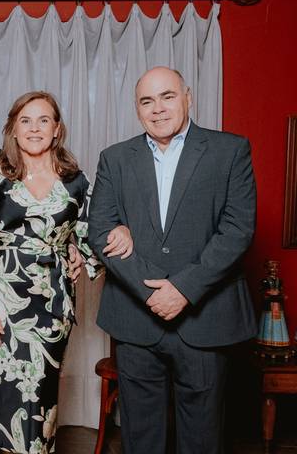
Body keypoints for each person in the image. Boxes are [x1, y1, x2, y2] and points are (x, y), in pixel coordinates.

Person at [89, 66, 257, 454]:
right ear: (137, 108)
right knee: (140, 437)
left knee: (202, 437)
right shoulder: (115, 158)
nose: (158, 108)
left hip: (205, 318)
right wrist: (151, 291)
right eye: (147, 101)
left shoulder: (230, 151)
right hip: (135, 320)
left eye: (167, 96)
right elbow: (99, 229)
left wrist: (183, 289)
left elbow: (237, 230)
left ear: (188, 98)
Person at [0, 91, 132, 453]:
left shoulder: (76, 181)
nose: (34, 128)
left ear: (56, 129)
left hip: (52, 306)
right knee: (2, 397)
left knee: (40, 398)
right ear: (13, 129)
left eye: (43, 120)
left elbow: (90, 234)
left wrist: (88, 250)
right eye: (25, 120)